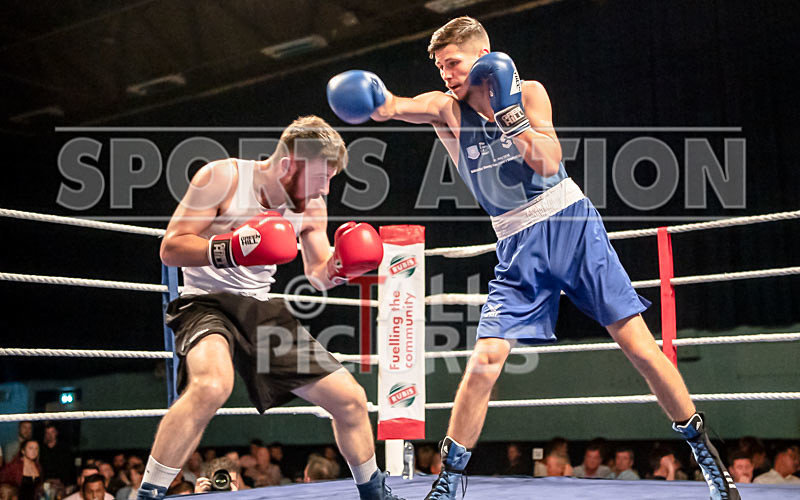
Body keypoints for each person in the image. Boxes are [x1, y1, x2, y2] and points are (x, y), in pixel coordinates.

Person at [326, 15, 739, 500]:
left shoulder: (530, 94)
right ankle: (449, 482)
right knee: (486, 359)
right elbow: (394, 107)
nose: (447, 74)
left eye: (453, 63)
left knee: (641, 348)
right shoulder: (445, 109)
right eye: (440, 68)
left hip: (570, 224)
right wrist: (375, 99)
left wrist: (510, 116)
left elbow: (547, 160)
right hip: (516, 244)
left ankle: (708, 461)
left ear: (483, 57)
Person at [135, 115, 400, 500]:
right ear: (289, 165)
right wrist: (231, 248)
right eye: (319, 177)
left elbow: (317, 273)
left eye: (329, 179)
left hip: (260, 308)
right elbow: (171, 248)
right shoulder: (222, 178)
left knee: (351, 399)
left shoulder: (312, 206)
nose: (325, 188)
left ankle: (376, 493)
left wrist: (342, 267)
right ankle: (148, 494)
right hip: (205, 303)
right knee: (212, 385)